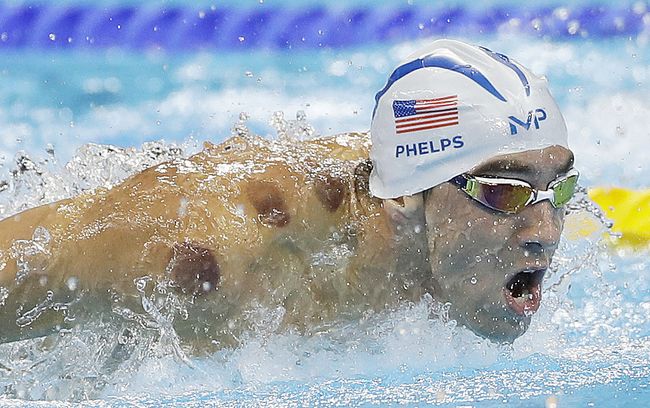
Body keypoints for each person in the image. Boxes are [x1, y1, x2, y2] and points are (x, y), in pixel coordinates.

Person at [0, 40, 577, 352]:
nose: (545, 232)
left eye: (556, 187)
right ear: (404, 200)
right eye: (503, 193)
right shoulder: (210, 259)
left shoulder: (431, 221)